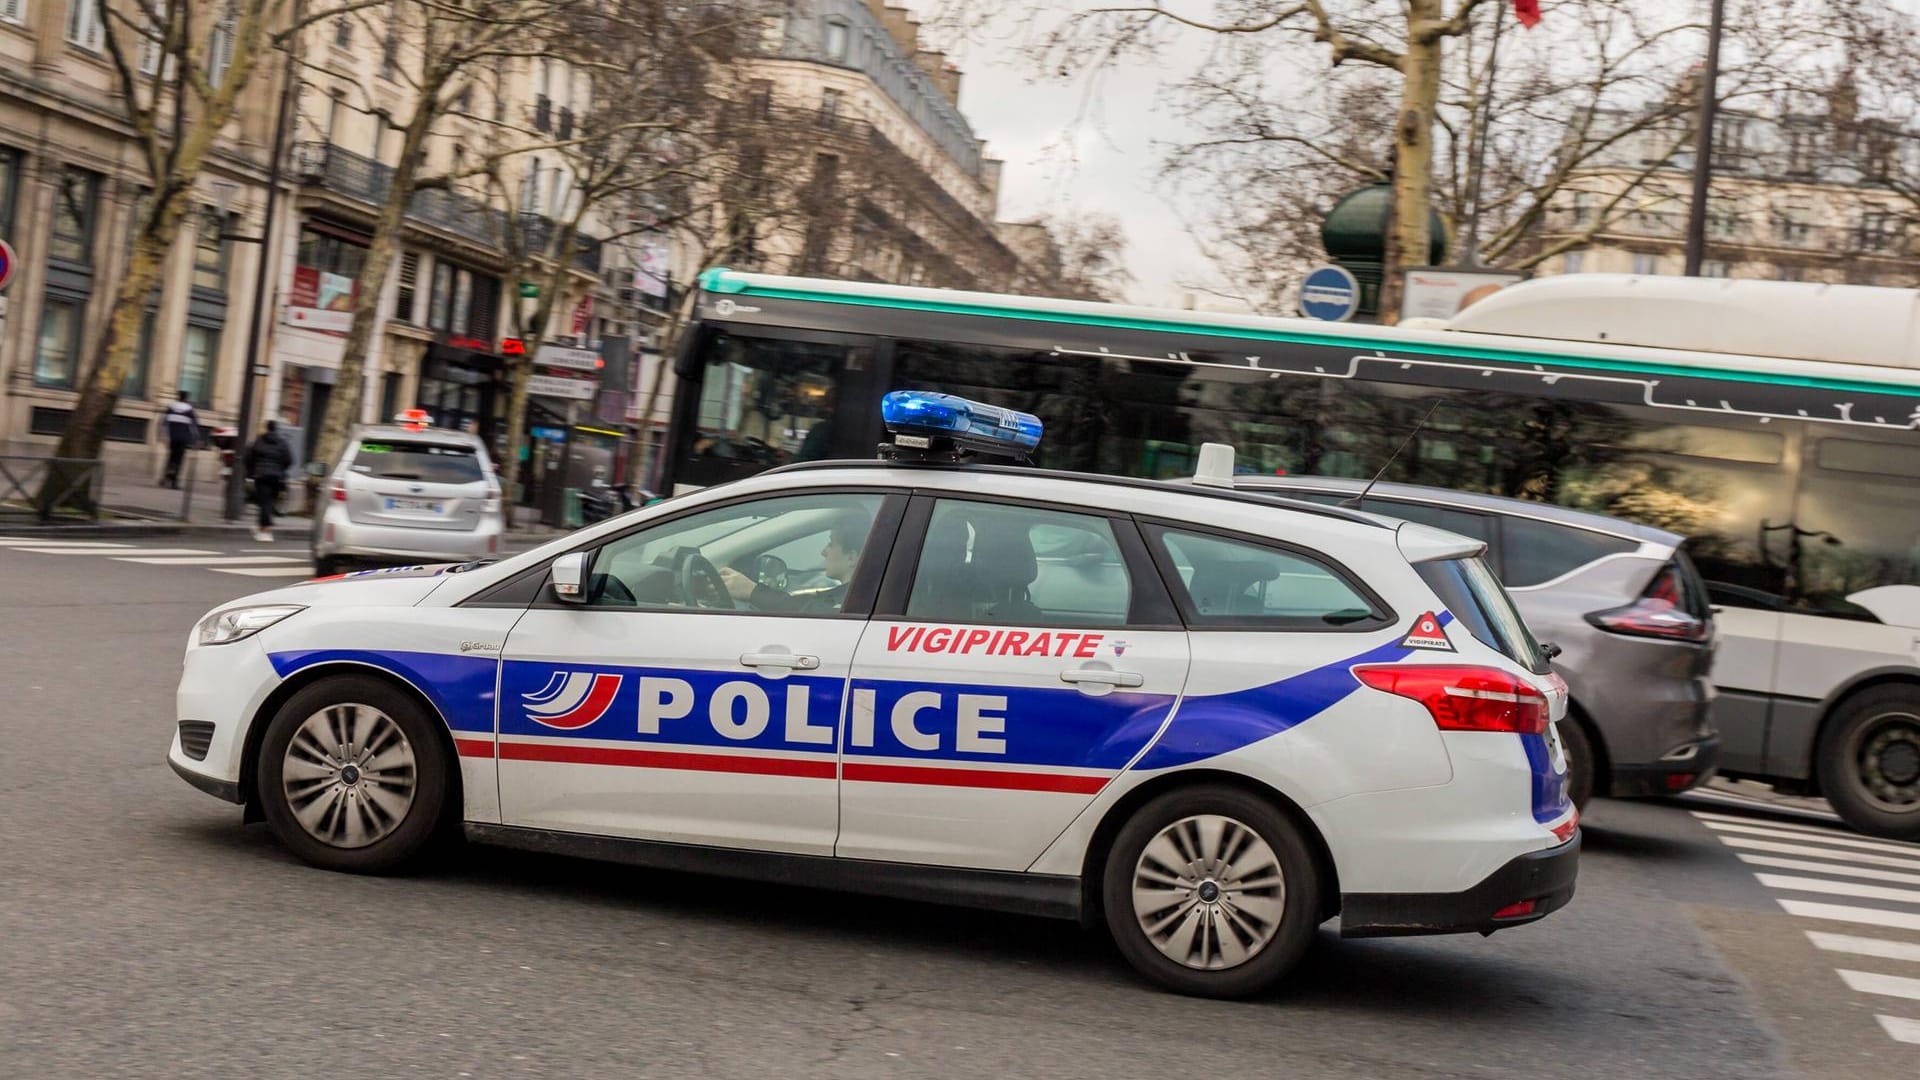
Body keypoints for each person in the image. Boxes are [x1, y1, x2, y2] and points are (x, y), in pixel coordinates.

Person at [719, 510, 868, 613]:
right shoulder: (851, 598)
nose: (823, 552)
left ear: (852, 557)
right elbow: (807, 604)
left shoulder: (855, 604)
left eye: (831, 544)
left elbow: (809, 611)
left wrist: (752, 591)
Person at [243, 420, 294, 542]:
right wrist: (280, 469)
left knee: (264, 502)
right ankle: (261, 528)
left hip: (261, 476)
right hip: (277, 477)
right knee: (269, 502)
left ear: (266, 428)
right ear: (276, 429)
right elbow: (289, 460)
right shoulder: (282, 442)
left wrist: (251, 471)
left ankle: (267, 530)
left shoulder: (259, 440)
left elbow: (249, 458)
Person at [160, 391, 200, 488]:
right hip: (183, 438)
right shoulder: (190, 409)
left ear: (178, 397)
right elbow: (194, 425)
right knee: (179, 460)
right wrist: (195, 438)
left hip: (172, 437)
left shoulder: (171, 407)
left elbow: (164, 422)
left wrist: (163, 435)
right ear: (186, 399)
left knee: (170, 457)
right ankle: (174, 482)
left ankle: (164, 479)